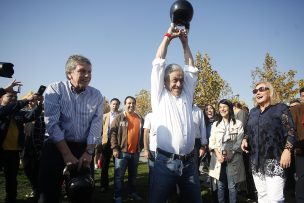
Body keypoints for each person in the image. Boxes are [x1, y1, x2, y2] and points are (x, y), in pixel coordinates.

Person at [38, 54, 104, 203]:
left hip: (83, 149)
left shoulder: (96, 95)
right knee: (48, 195)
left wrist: (89, 151)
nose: (87, 75)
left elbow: (96, 124)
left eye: (90, 71)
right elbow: (52, 124)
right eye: (82, 71)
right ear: (69, 73)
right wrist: (66, 154)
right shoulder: (55, 89)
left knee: (82, 191)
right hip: (56, 148)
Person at [150, 23, 202, 203]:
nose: (179, 84)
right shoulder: (159, 95)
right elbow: (158, 61)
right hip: (165, 163)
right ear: (164, 81)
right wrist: (168, 36)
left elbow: (191, 68)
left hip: (189, 164)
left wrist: (185, 43)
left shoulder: (187, 94)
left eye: (181, 80)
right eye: (174, 80)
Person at [241, 81, 296, 203]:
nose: (258, 92)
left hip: (275, 160)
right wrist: (245, 139)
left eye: (261, 89)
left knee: (275, 199)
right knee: (262, 196)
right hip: (256, 161)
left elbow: (291, 130)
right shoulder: (253, 112)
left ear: (270, 91)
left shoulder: (280, 108)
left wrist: (287, 150)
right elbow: (248, 129)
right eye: (255, 91)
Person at [0, 90, 43, 203]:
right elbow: (8, 109)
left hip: (13, 151)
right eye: (10, 96)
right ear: (1, 99)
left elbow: (31, 116)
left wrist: (39, 105)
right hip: (1, 150)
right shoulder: (2, 110)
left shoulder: (18, 113)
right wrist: (27, 99)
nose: (14, 98)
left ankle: (11, 199)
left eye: (15, 96)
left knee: (11, 179)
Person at [208, 99, 245, 203]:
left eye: (224, 107)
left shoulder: (238, 123)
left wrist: (232, 153)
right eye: (220, 107)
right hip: (219, 159)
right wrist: (218, 154)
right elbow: (212, 141)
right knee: (220, 186)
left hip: (233, 159)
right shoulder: (215, 124)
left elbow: (239, 140)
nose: (222, 109)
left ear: (230, 108)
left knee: (232, 186)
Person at [111, 96, 144, 203]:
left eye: (133, 103)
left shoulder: (140, 118)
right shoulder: (119, 118)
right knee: (119, 177)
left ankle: (132, 192)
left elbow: (144, 134)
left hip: (135, 153)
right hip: (122, 152)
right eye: (129, 103)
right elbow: (113, 133)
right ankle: (118, 196)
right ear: (125, 105)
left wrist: (141, 147)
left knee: (133, 176)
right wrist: (115, 148)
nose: (131, 105)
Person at [22, 99, 45, 202]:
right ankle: (35, 188)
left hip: (37, 146)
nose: (31, 103)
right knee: (27, 169)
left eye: (33, 101)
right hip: (25, 147)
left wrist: (40, 148)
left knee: (37, 170)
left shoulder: (41, 115)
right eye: (30, 101)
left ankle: (39, 191)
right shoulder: (23, 114)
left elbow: (42, 132)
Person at [98, 97, 120, 192]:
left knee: (118, 166)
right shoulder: (104, 116)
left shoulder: (121, 116)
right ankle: (104, 185)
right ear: (110, 105)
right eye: (113, 104)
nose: (115, 106)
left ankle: (117, 185)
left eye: (117, 104)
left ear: (119, 106)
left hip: (117, 144)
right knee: (105, 165)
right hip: (106, 143)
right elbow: (101, 130)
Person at [290, 88, 304, 202]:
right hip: (301, 148)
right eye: (303, 96)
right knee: (301, 178)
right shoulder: (296, 109)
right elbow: (291, 130)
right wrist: (297, 146)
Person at [143, 112, 157, 197]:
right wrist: (146, 149)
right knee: (153, 172)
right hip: (153, 150)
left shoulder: (168, 113)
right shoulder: (150, 115)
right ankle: (152, 193)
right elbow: (145, 133)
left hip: (167, 150)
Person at [192, 104, 207, 172]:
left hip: (195, 142)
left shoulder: (198, 110)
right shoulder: (179, 108)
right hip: (182, 142)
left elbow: (202, 128)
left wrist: (203, 145)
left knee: (195, 166)